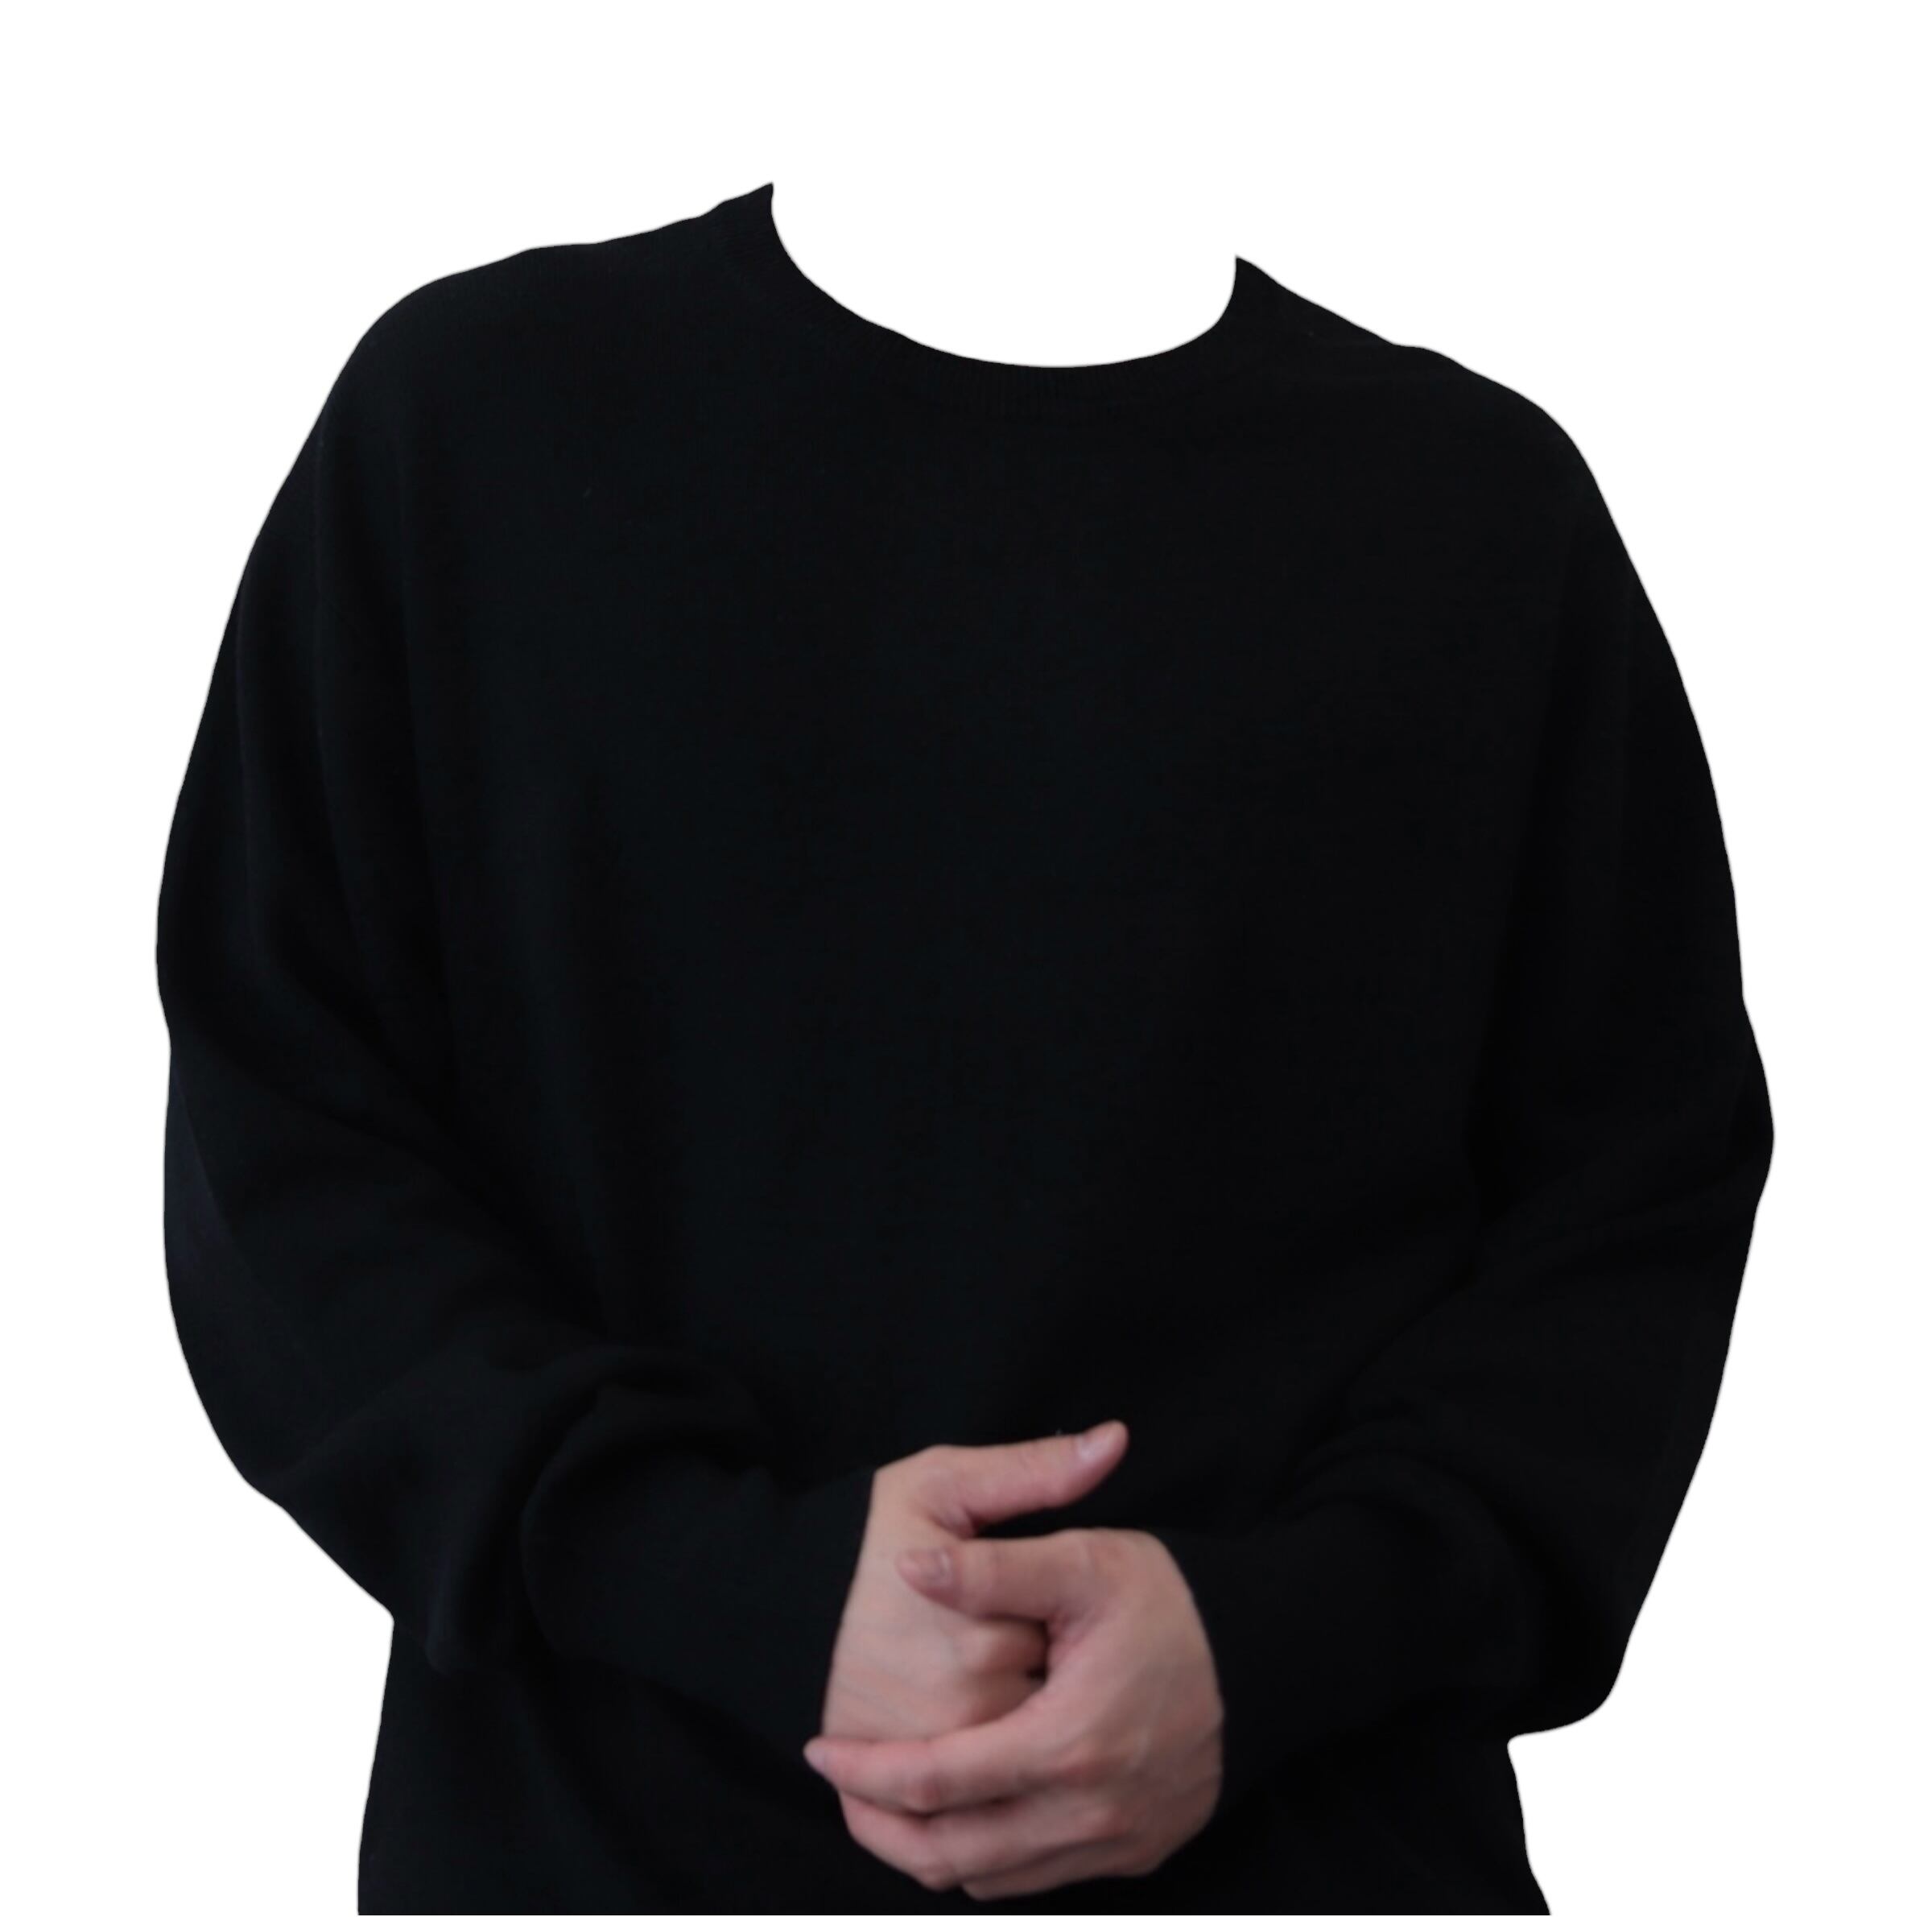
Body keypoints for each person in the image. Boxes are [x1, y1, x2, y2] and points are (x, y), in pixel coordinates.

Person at [155, 180, 1774, 1913]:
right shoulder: (475, 423)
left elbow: (1630, 1208)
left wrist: (1272, 1641)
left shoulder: (1473, 509)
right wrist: (730, 1585)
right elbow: (289, 1138)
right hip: (590, 1854)